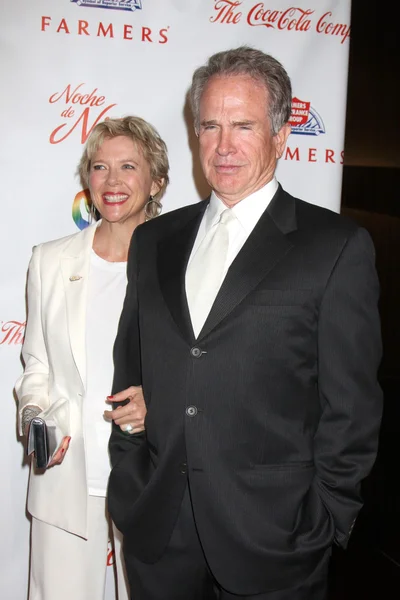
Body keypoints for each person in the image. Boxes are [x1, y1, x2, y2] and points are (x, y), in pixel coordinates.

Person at [108, 47, 383, 600]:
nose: (223, 145)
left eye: (243, 126)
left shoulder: (334, 247)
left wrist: (324, 520)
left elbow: (351, 411)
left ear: (281, 137)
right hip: (159, 534)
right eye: (210, 125)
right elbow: (129, 371)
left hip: (276, 543)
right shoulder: (154, 240)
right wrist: (132, 469)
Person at [15, 115, 169, 600]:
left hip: (153, 472)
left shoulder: (183, 264)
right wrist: (37, 418)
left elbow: (203, 368)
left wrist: (159, 404)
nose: (113, 181)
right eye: (100, 167)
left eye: (128, 166)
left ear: (156, 180)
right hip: (65, 475)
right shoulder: (49, 259)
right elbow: (36, 365)